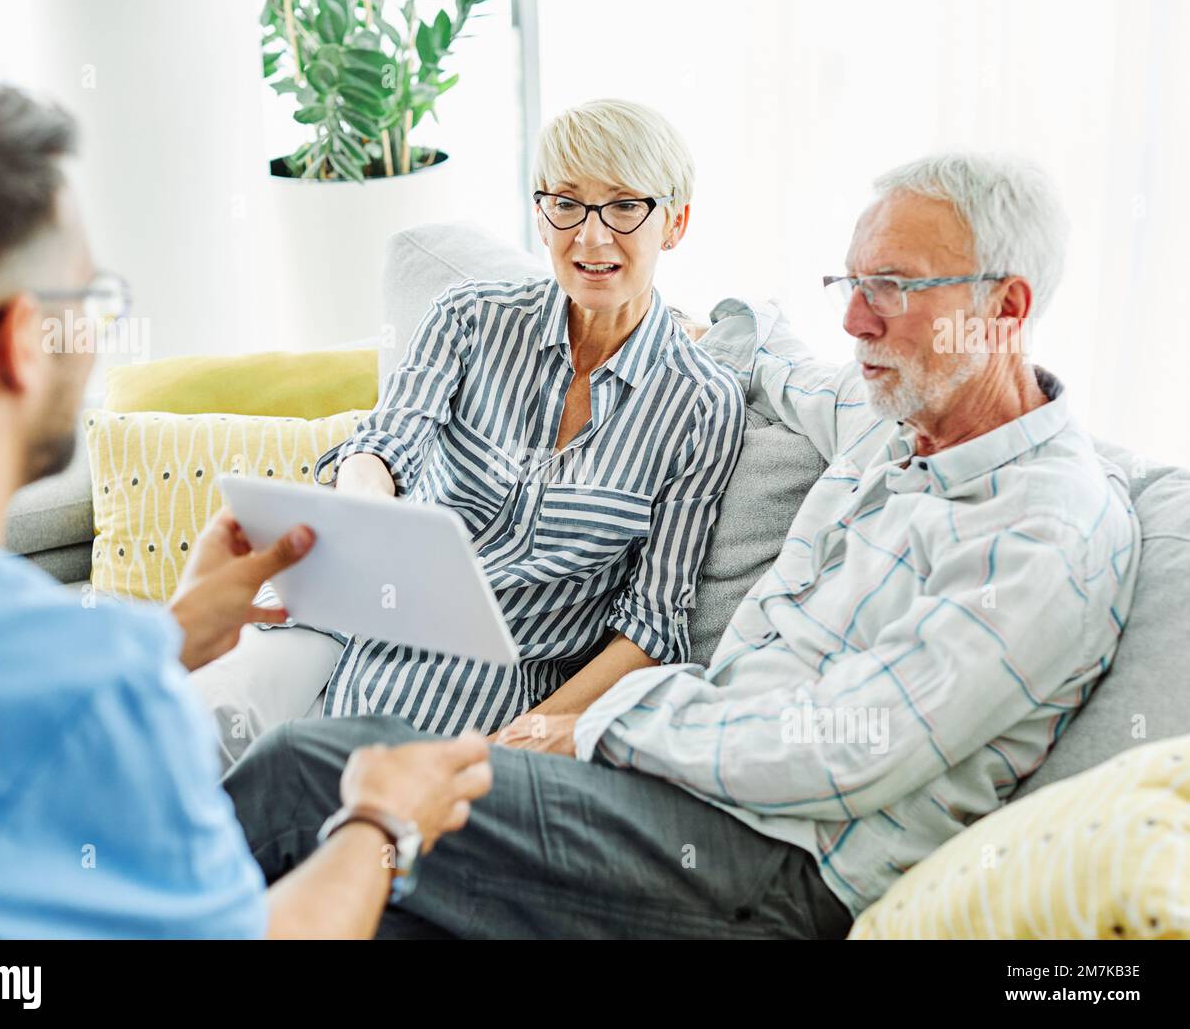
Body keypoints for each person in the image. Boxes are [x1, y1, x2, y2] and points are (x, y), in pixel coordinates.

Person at [224, 152, 1141, 939]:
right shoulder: (897, 419)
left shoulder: (1046, 533)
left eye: (892, 289)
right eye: (849, 285)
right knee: (373, 883)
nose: (856, 321)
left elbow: (844, 750)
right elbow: (783, 364)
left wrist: (594, 725)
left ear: (1005, 308)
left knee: (324, 775)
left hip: (769, 867)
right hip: (683, 806)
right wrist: (716, 332)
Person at [0, 80, 490, 940]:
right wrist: (379, 824)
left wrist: (167, 637)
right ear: (26, 343)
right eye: (92, 304)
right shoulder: (86, 687)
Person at [197, 99, 745, 762]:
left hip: (493, 699)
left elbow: (654, 624)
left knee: (332, 812)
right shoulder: (469, 317)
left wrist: (521, 742)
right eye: (566, 203)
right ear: (540, 216)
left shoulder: (699, 402)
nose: (591, 238)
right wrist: (365, 507)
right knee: (178, 736)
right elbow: (383, 442)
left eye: (626, 206)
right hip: (345, 623)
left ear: (675, 223)